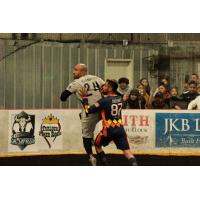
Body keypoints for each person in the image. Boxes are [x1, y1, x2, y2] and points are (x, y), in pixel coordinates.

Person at [79, 79, 138, 166]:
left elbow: (88, 110)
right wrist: (102, 93)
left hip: (108, 130)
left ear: (110, 88)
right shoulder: (119, 98)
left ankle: (105, 165)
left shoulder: (103, 101)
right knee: (127, 152)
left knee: (97, 145)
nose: (103, 87)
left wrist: (84, 99)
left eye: (105, 86)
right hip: (120, 130)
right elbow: (111, 100)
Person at [60, 63, 105, 166]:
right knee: (82, 115)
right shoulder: (97, 78)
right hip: (103, 109)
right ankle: (95, 141)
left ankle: (91, 156)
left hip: (90, 111)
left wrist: (70, 94)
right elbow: (106, 89)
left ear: (84, 71)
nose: (73, 71)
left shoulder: (76, 82)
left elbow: (63, 97)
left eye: (76, 70)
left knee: (86, 136)